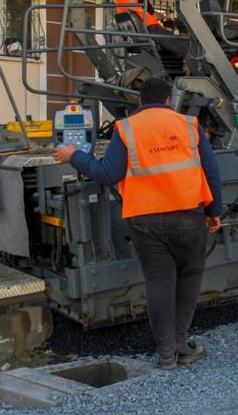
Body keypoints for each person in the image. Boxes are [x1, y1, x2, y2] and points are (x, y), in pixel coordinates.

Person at [52, 78, 223, 370]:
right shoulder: (189, 125)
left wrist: (74, 156)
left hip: (144, 220)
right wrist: (214, 211)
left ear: (140, 102)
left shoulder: (126, 128)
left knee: (159, 282)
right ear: (169, 100)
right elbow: (212, 172)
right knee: (189, 278)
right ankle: (181, 345)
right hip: (188, 217)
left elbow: (106, 173)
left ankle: (166, 355)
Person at [116, 0, 189, 74]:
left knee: (167, 41)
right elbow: (152, 14)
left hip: (135, 28)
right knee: (175, 40)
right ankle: (189, 60)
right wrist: (166, 16)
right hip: (147, 26)